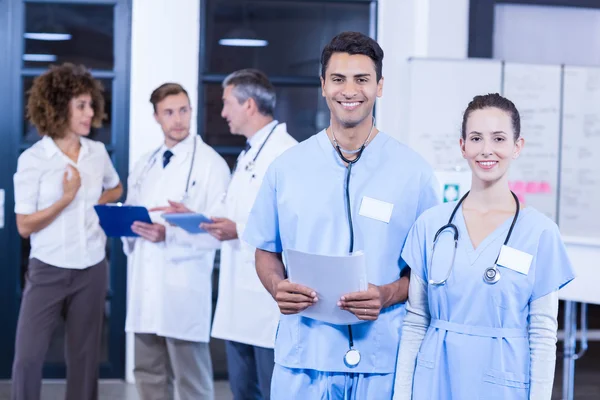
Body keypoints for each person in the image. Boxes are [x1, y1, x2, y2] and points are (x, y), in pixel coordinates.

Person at [242, 31, 440, 399]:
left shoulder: (414, 173)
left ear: (380, 86)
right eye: (338, 79)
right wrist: (276, 287)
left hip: (384, 361)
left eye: (362, 79)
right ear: (323, 86)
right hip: (303, 356)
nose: (350, 90)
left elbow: (428, 272)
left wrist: (389, 293)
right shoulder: (287, 168)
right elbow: (265, 249)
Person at [393, 93, 575, 400]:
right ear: (463, 146)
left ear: (517, 147)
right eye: (476, 138)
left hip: (503, 382)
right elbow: (415, 321)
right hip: (434, 378)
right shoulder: (431, 225)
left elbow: (543, 335)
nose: (486, 150)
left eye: (499, 138)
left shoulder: (540, 233)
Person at [12, 63, 123, 400]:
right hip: (48, 268)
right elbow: (24, 226)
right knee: (28, 358)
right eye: (81, 106)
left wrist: (93, 203)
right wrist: (67, 199)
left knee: (85, 359)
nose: (90, 113)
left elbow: (117, 189)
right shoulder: (34, 159)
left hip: (91, 267)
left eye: (91, 105)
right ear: (59, 107)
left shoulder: (97, 153)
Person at [122, 83, 230, 400]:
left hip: (184, 288)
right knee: (148, 375)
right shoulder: (145, 164)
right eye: (169, 112)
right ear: (156, 117)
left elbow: (219, 230)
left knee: (192, 381)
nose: (178, 119)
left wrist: (168, 234)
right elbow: (133, 212)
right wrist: (128, 226)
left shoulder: (211, 165)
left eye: (184, 110)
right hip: (145, 285)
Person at [203, 69, 297, 400]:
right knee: (242, 389)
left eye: (227, 103)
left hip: (266, 302)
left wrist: (236, 229)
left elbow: (293, 226)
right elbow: (237, 208)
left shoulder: (287, 154)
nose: (223, 113)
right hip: (239, 299)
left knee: (269, 389)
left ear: (249, 105)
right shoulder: (249, 153)